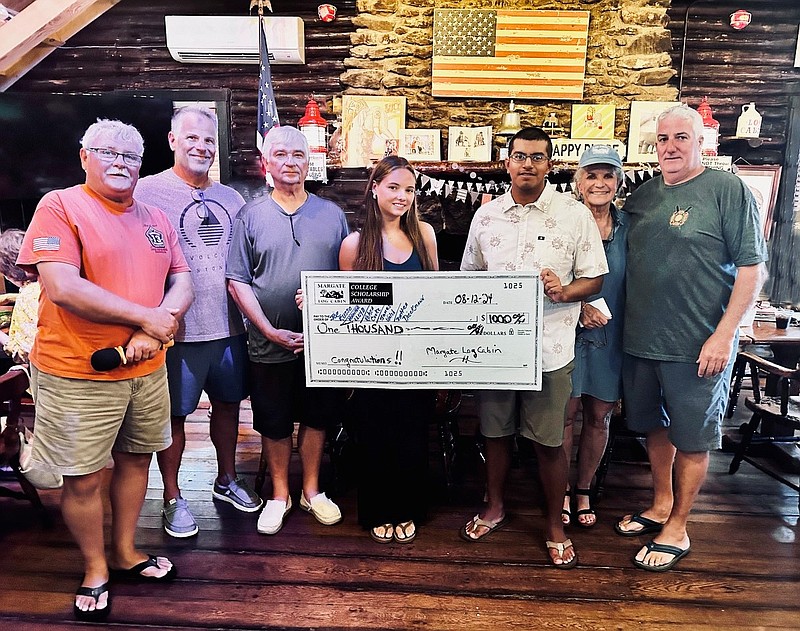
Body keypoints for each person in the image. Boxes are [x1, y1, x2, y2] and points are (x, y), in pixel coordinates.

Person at [17, 119, 193, 621]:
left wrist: (152, 331)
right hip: (77, 371)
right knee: (84, 476)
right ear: (84, 157)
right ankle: (95, 567)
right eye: (107, 152)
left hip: (146, 368)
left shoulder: (155, 215)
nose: (120, 162)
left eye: (131, 156)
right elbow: (64, 288)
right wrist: (146, 318)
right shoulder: (60, 207)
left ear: (142, 164)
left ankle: (125, 552)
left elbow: (182, 281)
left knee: (137, 460)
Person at [615, 104, 767, 571]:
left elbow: (752, 269)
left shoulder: (727, 190)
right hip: (641, 341)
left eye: (682, 137)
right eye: (663, 138)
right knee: (656, 428)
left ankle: (678, 525)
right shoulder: (641, 198)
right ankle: (661, 503)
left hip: (699, 345)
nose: (671, 146)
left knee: (694, 438)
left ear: (702, 142)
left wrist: (725, 335)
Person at [459, 127, 608, 568]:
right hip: (493, 351)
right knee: (496, 433)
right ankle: (495, 507)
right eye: (520, 156)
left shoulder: (574, 214)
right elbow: (468, 275)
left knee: (549, 442)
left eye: (537, 157)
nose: (528, 164)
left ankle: (553, 525)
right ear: (506, 163)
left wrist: (564, 292)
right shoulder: (485, 216)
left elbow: (595, 277)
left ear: (550, 163)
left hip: (551, 348)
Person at [136, 105, 261, 538]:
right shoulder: (146, 193)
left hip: (230, 328)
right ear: (172, 141)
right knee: (173, 417)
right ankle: (172, 496)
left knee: (229, 407)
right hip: (177, 333)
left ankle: (226, 480)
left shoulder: (232, 198)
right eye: (191, 137)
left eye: (208, 140)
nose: (201, 146)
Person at [226, 126, 349, 536]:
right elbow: (238, 281)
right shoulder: (250, 215)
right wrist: (268, 329)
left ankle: (311, 491)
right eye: (280, 154)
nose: (290, 162)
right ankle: (279, 495)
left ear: (308, 161)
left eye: (298, 154)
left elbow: (348, 281)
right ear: (267, 162)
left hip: (323, 346)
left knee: (317, 419)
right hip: (267, 343)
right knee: (274, 422)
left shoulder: (332, 215)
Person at [338, 155, 439, 544]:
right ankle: (379, 509)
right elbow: (343, 307)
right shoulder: (355, 245)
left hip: (416, 357)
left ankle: (408, 507)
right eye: (394, 187)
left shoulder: (424, 236)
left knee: (412, 432)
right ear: (375, 188)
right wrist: (313, 303)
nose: (402, 196)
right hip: (372, 360)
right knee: (376, 433)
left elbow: (436, 298)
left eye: (409, 189)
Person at [561, 145, 626, 528]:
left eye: (607, 175)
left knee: (599, 416)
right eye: (591, 175)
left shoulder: (629, 227)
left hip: (612, 334)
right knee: (565, 415)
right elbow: (548, 272)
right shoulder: (564, 221)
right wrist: (578, 306)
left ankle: (583, 487)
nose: (599, 183)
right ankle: (562, 490)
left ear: (618, 181)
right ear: (578, 182)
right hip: (568, 331)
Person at [0, 228, 39, 364]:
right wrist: (11, 297)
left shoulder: (27, 297)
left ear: (9, 272)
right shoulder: (53, 282)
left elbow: (27, 352)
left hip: (54, 376)